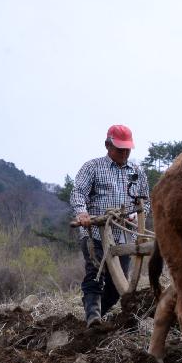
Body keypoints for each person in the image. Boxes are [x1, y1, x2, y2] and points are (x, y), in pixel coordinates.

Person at [70, 124, 151, 327]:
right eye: (119, 149)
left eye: (127, 149)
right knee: (95, 275)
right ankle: (93, 317)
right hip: (95, 233)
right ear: (108, 145)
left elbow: (145, 202)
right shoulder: (93, 167)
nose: (124, 153)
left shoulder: (137, 172)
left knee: (119, 284)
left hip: (123, 236)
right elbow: (78, 192)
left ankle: (95, 318)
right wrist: (82, 213)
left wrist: (134, 215)